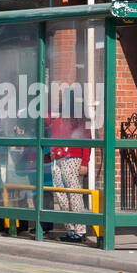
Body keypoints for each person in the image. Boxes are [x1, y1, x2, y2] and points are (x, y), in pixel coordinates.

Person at [49, 96, 92, 243]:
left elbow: (87, 141)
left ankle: (79, 230)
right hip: (58, 159)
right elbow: (53, 137)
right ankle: (70, 229)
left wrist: (85, 162)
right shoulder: (57, 119)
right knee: (61, 195)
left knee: (74, 194)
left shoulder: (81, 119)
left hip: (74, 159)